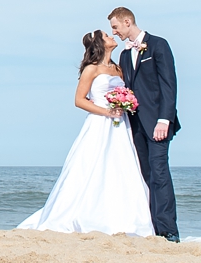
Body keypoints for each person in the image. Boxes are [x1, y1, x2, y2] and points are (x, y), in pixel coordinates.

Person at [17, 29, 154, 236]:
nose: (112, 37)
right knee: (92, 165)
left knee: (121, 166)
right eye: (108, 36)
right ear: (100, 43)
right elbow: (79, 100)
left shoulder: (119, 68)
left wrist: (125, 104)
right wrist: (108, 112)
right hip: (100, 123)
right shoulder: (92, 69)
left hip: (120, 124)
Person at [109, 6, 181, 242]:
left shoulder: (158, 45)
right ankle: (152, 227)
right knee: (146, 175)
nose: (115, 32)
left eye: (115, 27)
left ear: (127, 21)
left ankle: (169, 231)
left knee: (160, 173)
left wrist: (164, 119)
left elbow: (169, 85)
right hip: (136, 125)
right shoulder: (123, 55)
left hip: (158, 123)